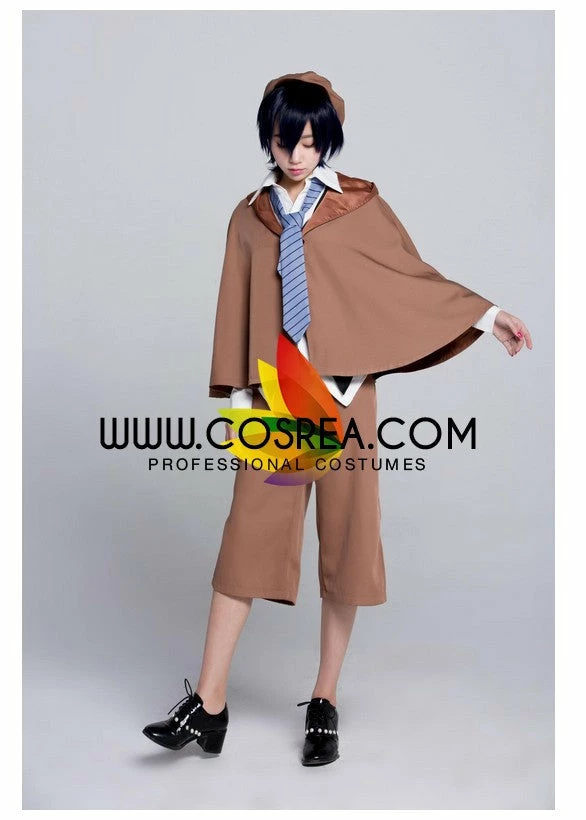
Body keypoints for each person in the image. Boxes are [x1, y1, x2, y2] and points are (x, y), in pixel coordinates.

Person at [142, 71, 533, 766]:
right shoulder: (249, 217)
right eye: (285, 140)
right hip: (279, 400)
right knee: (246, 542)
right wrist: (240, 396)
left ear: (328, 140)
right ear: (268, 137)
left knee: (346, 543)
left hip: (347, 396)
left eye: (311, 142)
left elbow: (410, 279)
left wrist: (486, 313)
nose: (298, 155)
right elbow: (235, 303)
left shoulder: (358, 207)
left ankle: (324, 697)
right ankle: (208, 703)